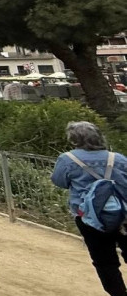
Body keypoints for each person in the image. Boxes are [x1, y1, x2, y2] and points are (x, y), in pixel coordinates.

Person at [52, 121, 127, 296]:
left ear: (74, 139)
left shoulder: (67, 159)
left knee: (104, 261)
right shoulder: (118, 158)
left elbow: (59, 181)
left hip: (89, 217)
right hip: (123, 215)